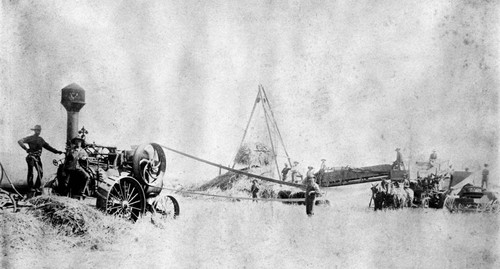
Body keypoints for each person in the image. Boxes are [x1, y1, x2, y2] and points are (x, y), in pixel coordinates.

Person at [18, 125, 63, 196]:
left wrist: (57, 151)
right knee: (31, 172)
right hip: (31, 157)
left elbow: (48, 147)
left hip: (37, 158)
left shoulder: (41, 139)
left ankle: (36, 187)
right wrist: (26, 149)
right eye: (36, 130)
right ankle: (30, 188)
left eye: (39, 130)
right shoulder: (30, 138)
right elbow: (20, 141)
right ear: (34, 130)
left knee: (40, 172)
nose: (38, 132)